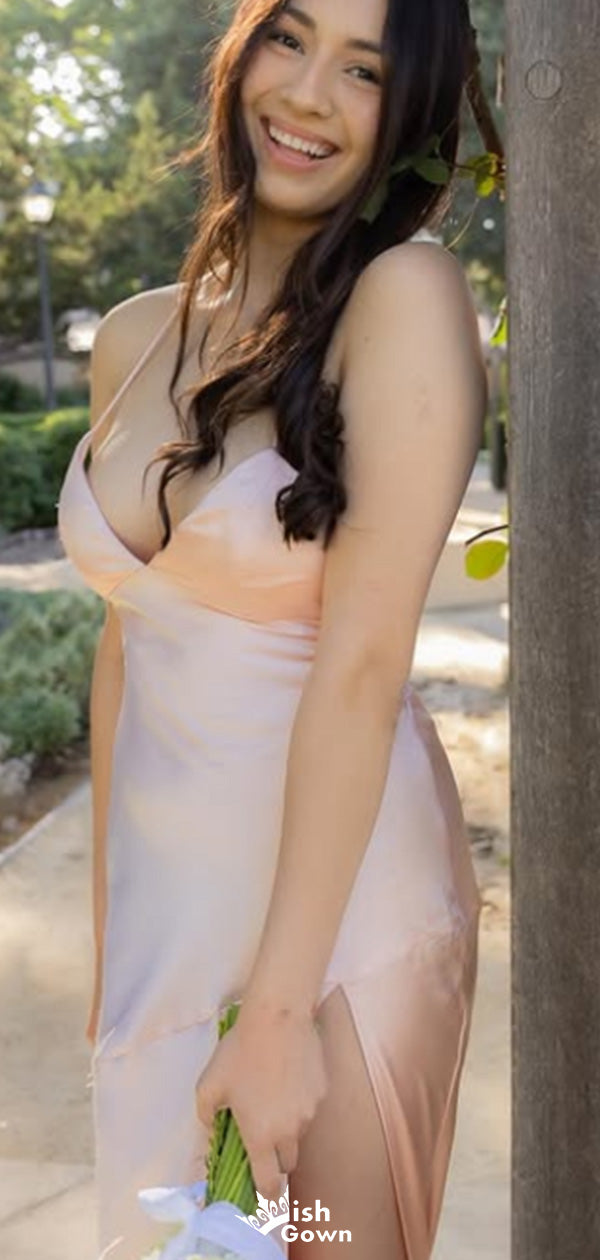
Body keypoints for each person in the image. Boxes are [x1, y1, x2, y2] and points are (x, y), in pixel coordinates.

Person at [57, 0, 489, 1256]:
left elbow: (364, 667)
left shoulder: (403, 296)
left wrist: (283, 1015)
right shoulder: (136, 334)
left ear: (410, 113)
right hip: (168, 920)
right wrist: (113, 954)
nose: (305, 96)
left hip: (342, 929)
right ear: (239, 51)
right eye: (289, 40)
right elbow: (128, 647)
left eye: (364, 71)